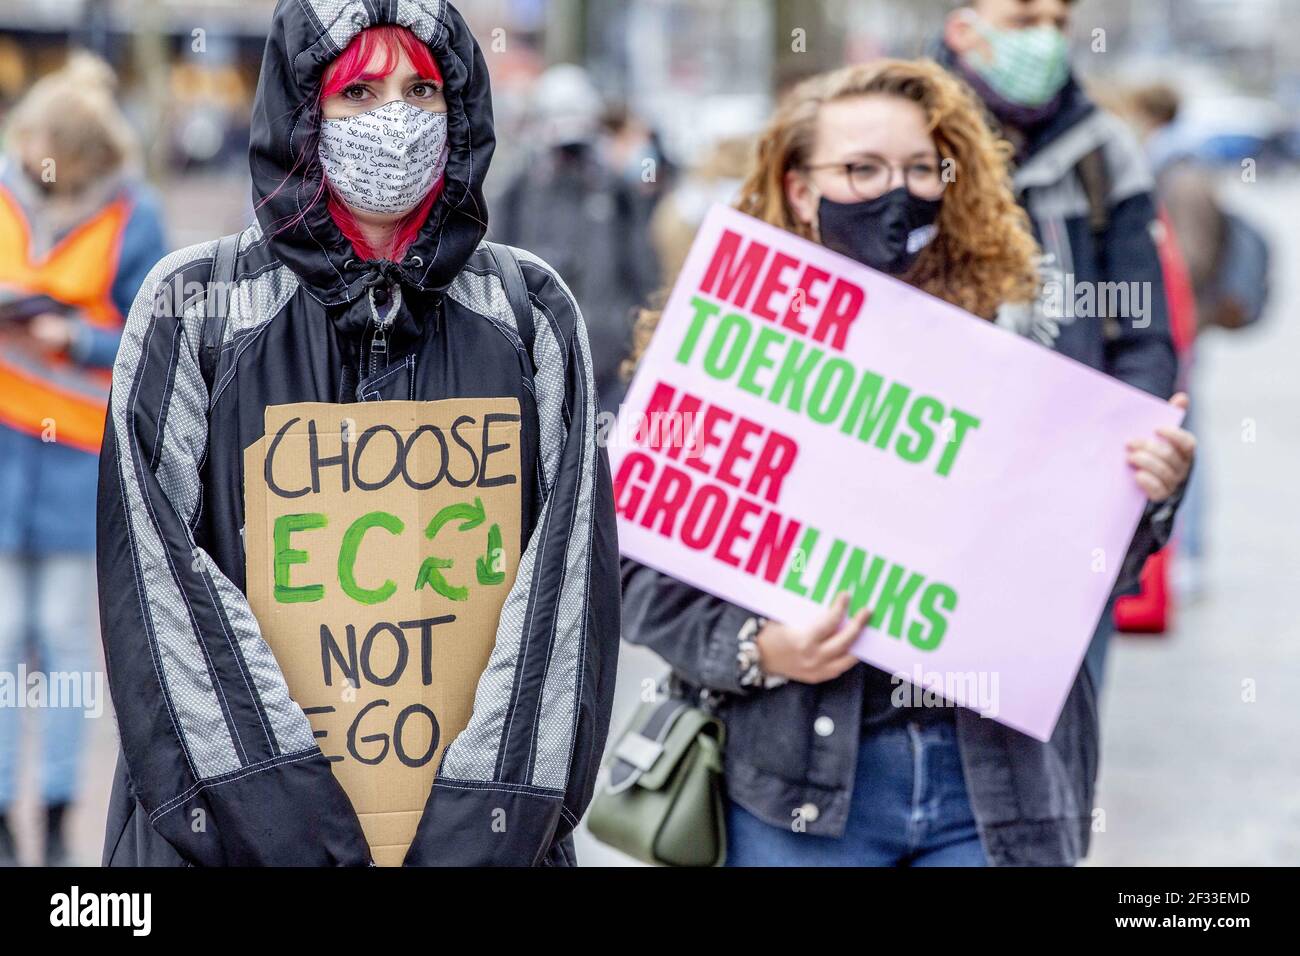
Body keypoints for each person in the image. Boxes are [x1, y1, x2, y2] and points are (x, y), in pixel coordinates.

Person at [620, 59, 1195, 867]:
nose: (901, 192)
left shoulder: (1021, 342)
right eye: (862, 169)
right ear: (795, 187)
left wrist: (1146, 491)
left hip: (993, 792)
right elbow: (636, 570)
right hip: (797, 793)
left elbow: (1090, 574)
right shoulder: (722, 354)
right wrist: (759, 647)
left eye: (923, 169)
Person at [97, 3, 619, 866]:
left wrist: (472, 838)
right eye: (360, 91)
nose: (396, 121)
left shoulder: (531, 314)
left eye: (422, 90)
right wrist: (300, 835)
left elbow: (565, 602)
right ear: (305, 112)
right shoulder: (190, 307)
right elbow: (158, 598)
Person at [938, 0, 1182, 679]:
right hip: (927, 491)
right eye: (1023, 20)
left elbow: (1144, 333)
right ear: (965, 27)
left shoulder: (1102, 149)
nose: (1045, 38)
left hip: (1064, 507)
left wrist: (1127, 451)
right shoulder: (901, 135)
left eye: (1057, 21)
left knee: (1054, 731)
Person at [0, 52, 166, 866]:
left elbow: (150, 330)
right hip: (2, 455)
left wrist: (80, 337)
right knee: (2, 641)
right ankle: (2, 812)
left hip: (75, 463)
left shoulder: (136, 214)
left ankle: (60, 810)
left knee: (64, 646)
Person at [494, 64, 660, 415]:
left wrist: (640, 335)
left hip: (607, 353)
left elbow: (643, 269)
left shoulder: (614, 190)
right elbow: (494, 266)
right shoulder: (521, 188)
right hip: (534, 353)